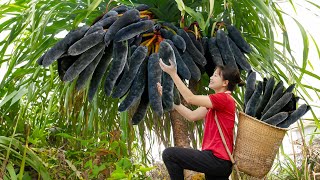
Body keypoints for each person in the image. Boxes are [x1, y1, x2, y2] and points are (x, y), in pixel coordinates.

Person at [157, 58, 244, 180]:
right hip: (219, 163)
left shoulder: (223, 99)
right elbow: (191, 116)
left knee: (170, 155)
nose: (211, 78)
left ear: (225, 83)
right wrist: (171, 102)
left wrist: (173, 73)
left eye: (215, 76)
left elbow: (190, 98)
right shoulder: (216, 102)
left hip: (217, 159)